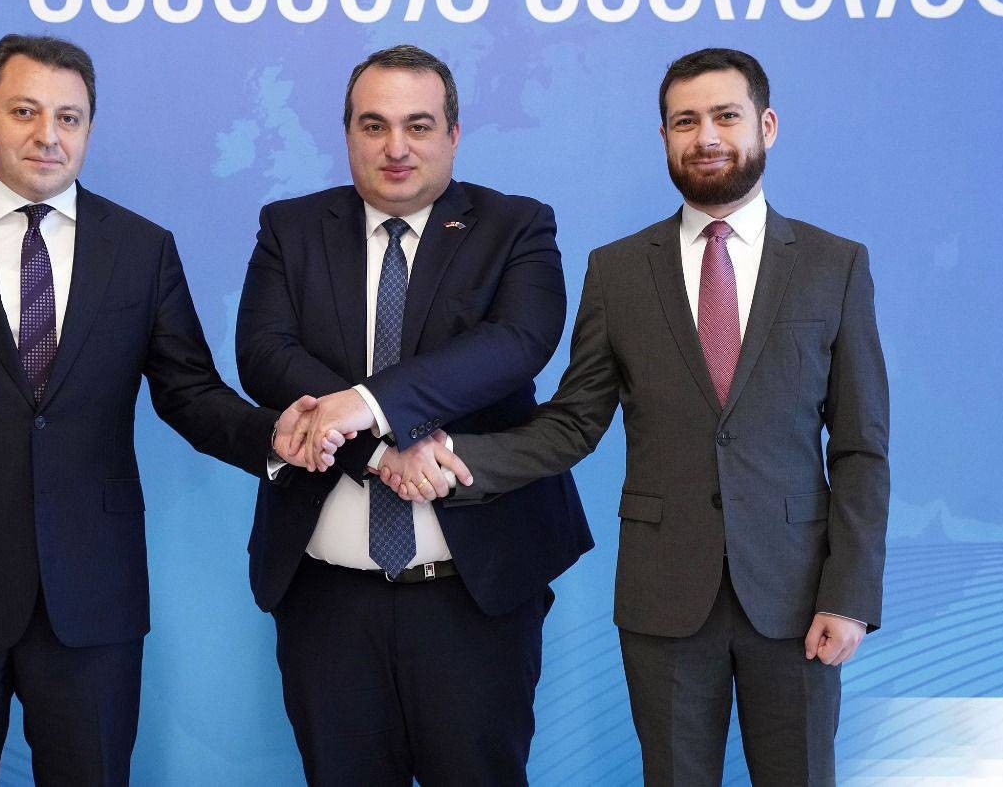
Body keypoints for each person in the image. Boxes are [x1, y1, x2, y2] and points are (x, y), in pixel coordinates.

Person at [378, 47, 890, 785]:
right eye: (685, 121)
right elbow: (572, 422)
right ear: (664, 138)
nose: (705, 136)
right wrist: (457, 458)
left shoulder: (834, 266)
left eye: (725, 116)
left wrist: (849, 596)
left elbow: (860, 450)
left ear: (767, 125)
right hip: (663, 599)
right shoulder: (617, 270)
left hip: (799, 599)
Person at [0, 33, 322, 785]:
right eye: (24, 111)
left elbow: (188, 390)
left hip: (92, 594)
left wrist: (273, 436)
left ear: (90, 128)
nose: (47, 134)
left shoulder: (141, 249)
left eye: (69, 117)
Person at [235, 44, 593, 785]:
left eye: (418, 125)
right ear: (348, 135)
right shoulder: (290, 228)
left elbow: (515, 344)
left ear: (453, 134)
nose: (396, 147)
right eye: (374, 125)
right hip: (327, 599)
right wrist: (381, 448)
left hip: (473, 594)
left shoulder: (516, 225)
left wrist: (366, 404)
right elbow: (264, 354)